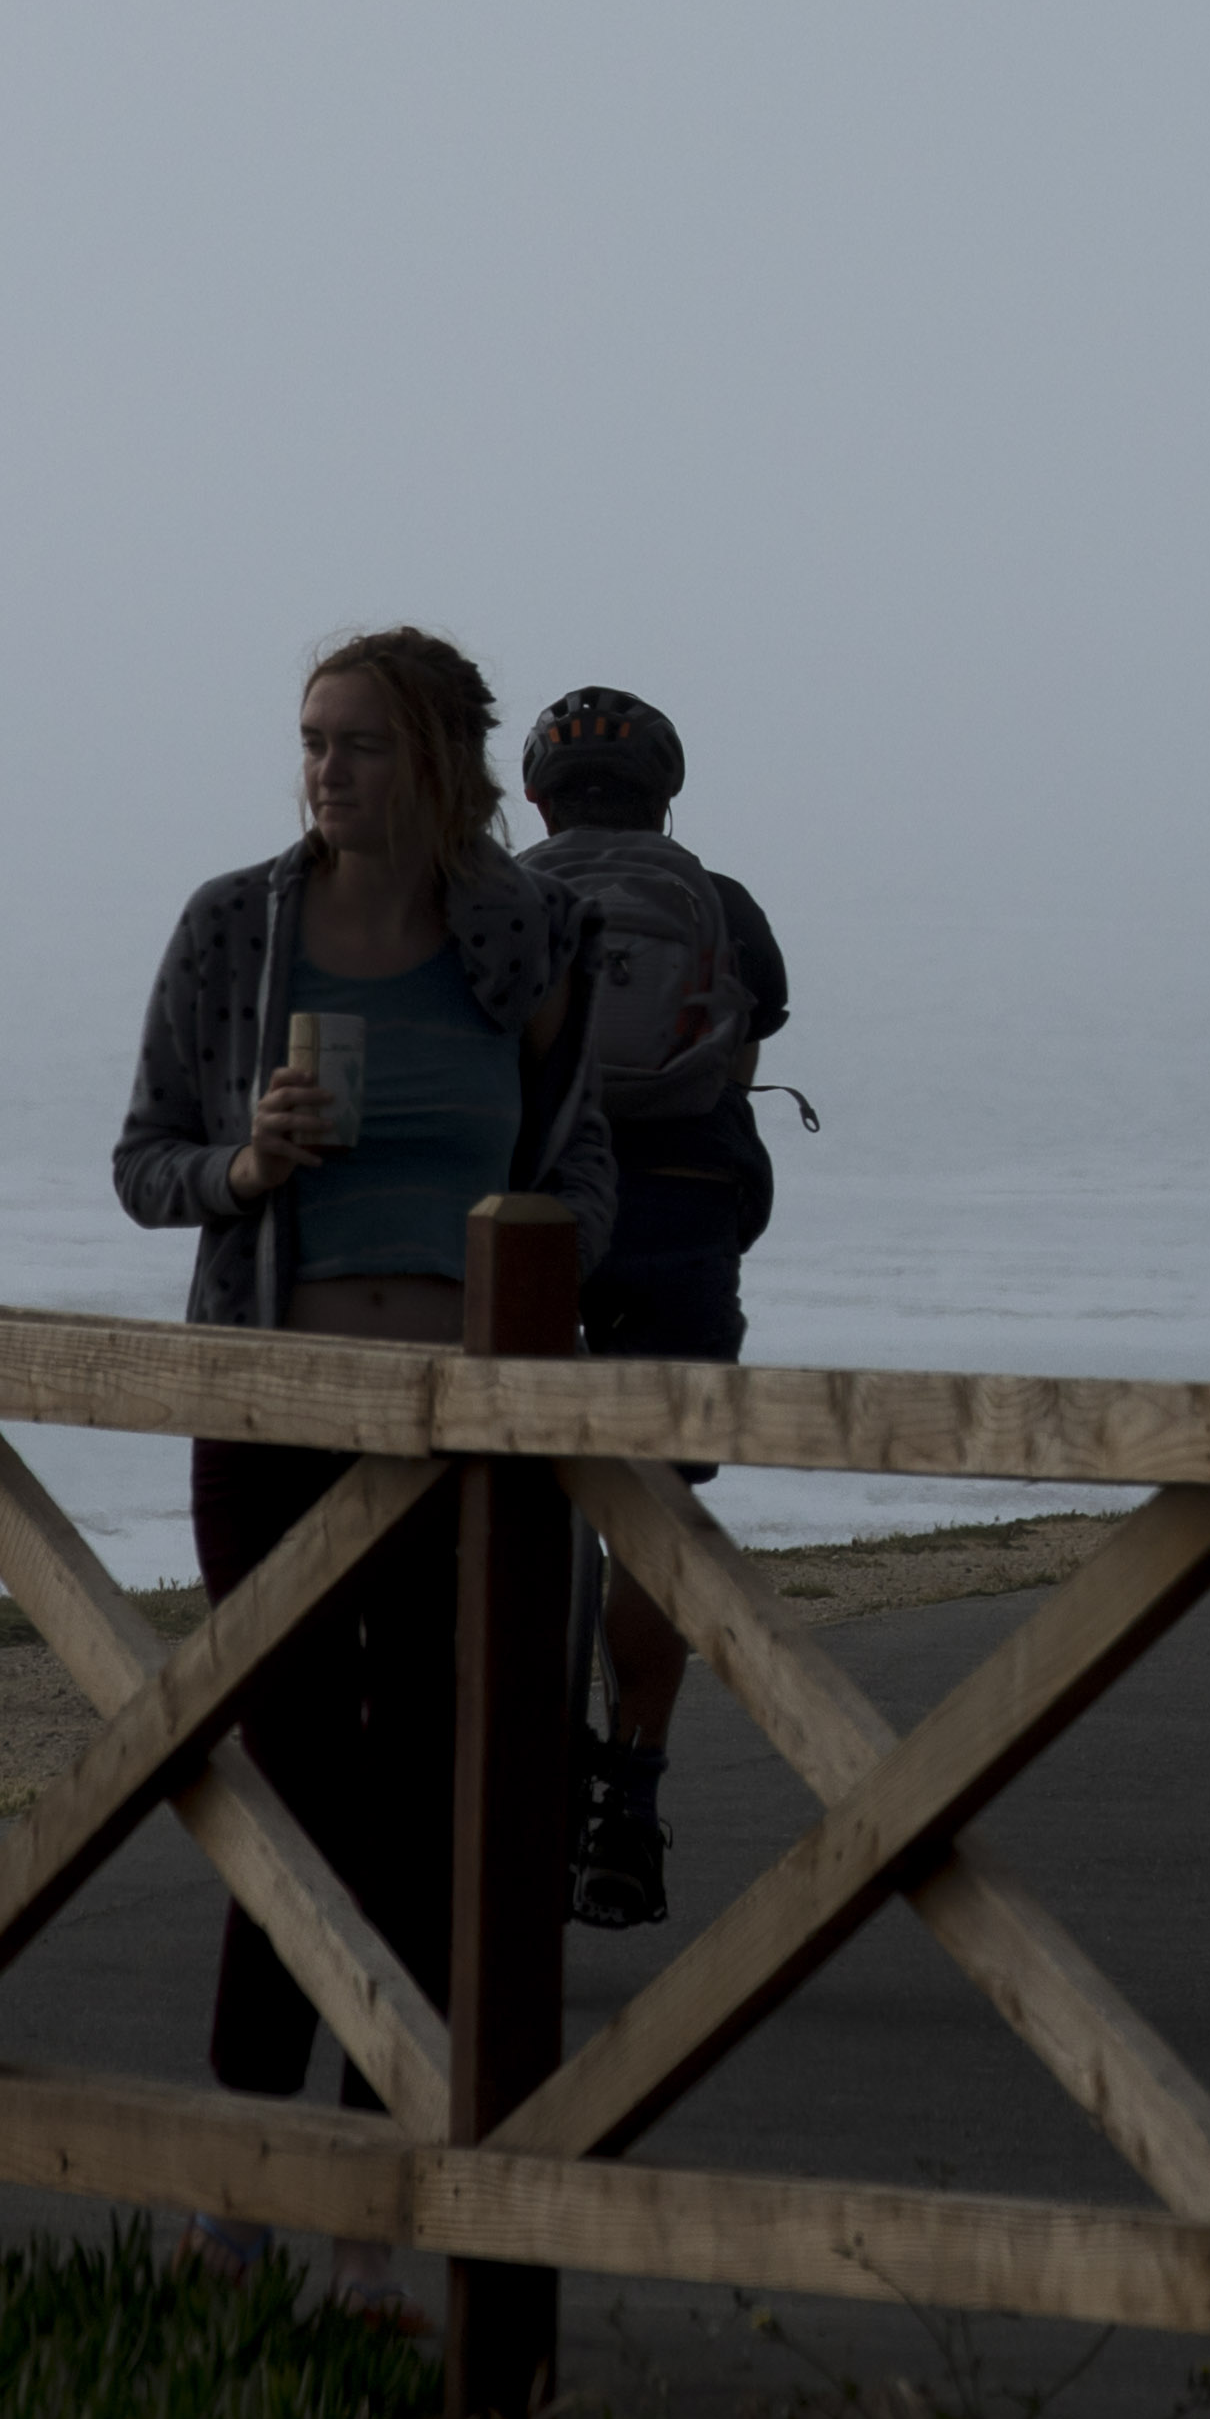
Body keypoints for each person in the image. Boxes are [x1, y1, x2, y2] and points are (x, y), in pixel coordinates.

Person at [113, 628, 617, 2308]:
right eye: (314, 739)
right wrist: (246, 1166)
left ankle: (365, 2221)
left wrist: (538, 1274)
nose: (327, 770)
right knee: (301, 1793)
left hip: (466, 1434)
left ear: (444, 763)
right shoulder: (234, 929)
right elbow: (144, 1162)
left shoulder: (523, 933)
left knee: (426, 1809)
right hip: (274, 1410)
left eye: (364, 744)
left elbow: (581, 1162)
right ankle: (244, 2194)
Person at [516, 685, 796, 1932]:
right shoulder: (719, 902)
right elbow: (739, 1054)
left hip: (532, 1219)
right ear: (664, 794)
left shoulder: (501, 898)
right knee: (659, 1504)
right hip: (681, 1209)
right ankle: (630, 1793)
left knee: (503, 1485)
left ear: (537, 800)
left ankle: (514, 1764)